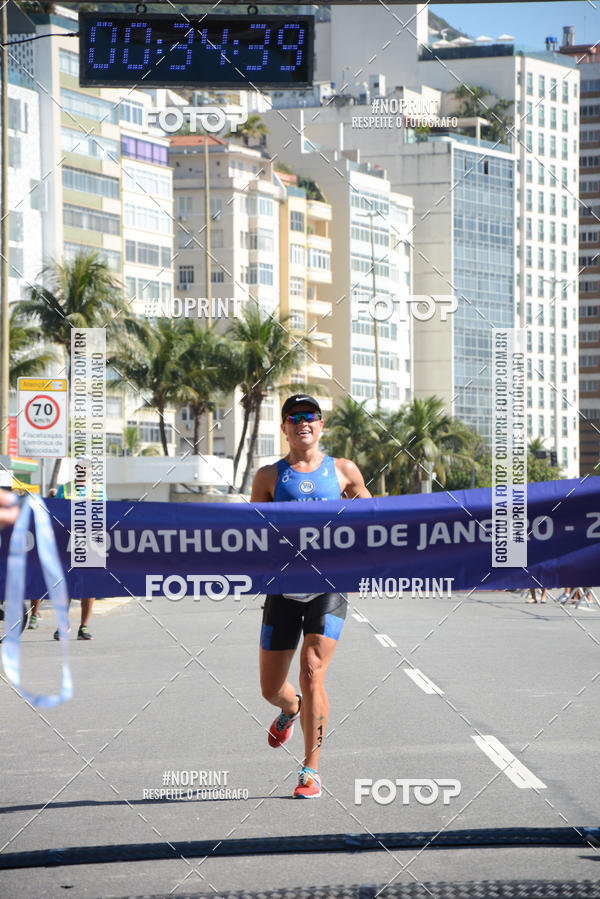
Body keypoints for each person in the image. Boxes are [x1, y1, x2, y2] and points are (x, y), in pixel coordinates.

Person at [251, 394, 371, 799]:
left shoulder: (342, 471)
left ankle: (310, 770)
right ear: (283, 427)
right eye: (294, 417)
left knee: (312, 669)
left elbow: (377, 523)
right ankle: (291, 708)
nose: (303, 422)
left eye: (311, 417)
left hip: (328, 587)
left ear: (321, 426)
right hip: (282, 591)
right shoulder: (268, 477)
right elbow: (252, 535)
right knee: (271, 689)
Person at [54, 457, 106, 641]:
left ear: (91, 470)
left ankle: (83, 628)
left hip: (91, 543)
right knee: (66, 586)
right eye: (80, 468)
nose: (83, 470)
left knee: (88, 587)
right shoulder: (64, 489)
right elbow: (55, 515)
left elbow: (105, 516)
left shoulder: (99, 490)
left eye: (86, 468)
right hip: (67, 543)